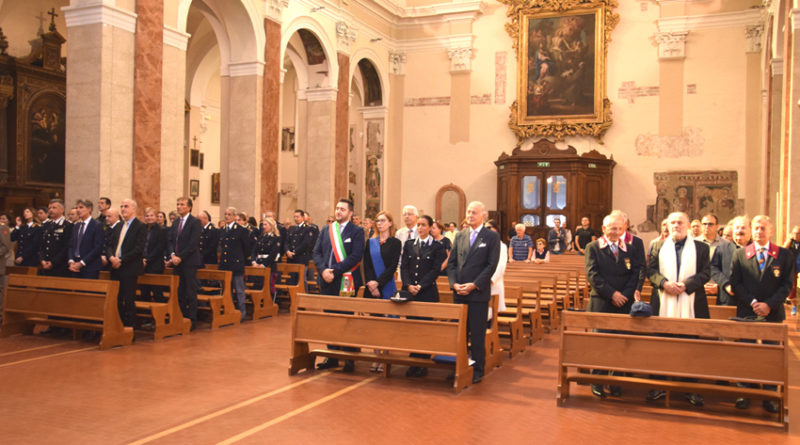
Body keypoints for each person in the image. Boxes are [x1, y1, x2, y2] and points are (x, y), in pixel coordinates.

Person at [729, 215, 794, 413]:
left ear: (771, 231)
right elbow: (736, 283)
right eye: (756, 228)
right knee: (745, 353)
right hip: (747, 311)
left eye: (763, 228)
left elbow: (787, 285)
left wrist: (769, 305)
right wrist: (754, 302)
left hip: (772, 313)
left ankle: (770, 394)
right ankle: (744, 392)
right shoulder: (741, 254)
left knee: (771, 355)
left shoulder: (784, 255)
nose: (759, 231)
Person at [646, 211, 710, 406]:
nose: (676, 226)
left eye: (680, 222)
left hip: (692, 303)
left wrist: (686, 285)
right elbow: (651, 271)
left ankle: (690, 387)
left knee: (691, 346)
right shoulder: (657, 245)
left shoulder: (701, 247)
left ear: (688, 225)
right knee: (660, 344)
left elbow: (706, 273)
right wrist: (664, 283)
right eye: (673, 222)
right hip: (663, 301)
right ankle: (658, 384)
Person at [584, 212, 643, 398]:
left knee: (620, 343)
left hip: (624, 303)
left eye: (619, 229)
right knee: (602, 344)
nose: (615, 232)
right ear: (604, 229)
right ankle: (598, 381)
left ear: (624, 229)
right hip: (602, 302)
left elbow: (635, 273)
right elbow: (593, 275)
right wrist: (612, 294)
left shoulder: (630, 248)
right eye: (612, 229)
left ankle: (616, 380)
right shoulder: (593, 247)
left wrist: (624, 295)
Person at [447, 201, 500, 384]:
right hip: (459, 292)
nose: (470, 215)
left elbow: (491, 265)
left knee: (476, 334)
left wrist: (475, 284)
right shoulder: (460, 235)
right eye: (468, 212)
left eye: (474, 212)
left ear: (483, 215)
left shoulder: (491, 237)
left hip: (477, 293)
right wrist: (454, 284)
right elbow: (452, 263)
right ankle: (460, 365)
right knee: (460, 333)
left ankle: (477, 369)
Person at [312, 198, 365, 372]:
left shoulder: (357, 231)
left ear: (350, 213)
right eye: (337, 208)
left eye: (342, 209)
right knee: (330, 319)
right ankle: (332, 355)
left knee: (346, 319)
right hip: (326, 280)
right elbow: (317, 252)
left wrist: (333, 270)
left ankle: (349, 356)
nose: (338, 211)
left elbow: (356, 256)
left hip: (345, 281)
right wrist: (323, 271)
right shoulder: (326, 229)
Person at [401, 214, 446, 377]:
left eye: (423, 225)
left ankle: (423, 362)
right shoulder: (409, 244)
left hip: (427, 292)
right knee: (412, 328)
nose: (420, 228)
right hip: (410, 292)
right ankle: (413, 360)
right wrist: (408, 285)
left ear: (430, 227)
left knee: (425, 328)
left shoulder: (437, 246)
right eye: (418, 225)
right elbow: (404, 267)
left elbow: (435, 270)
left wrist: (420, 285)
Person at [107, 199, 146, 328]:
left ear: (134, 209)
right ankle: (117, 325)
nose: (123, 209)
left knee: (128, 299)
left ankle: (129, 327)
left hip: (129, 268)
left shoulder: (140, 226)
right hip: (115, 267)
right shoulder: (118, 226)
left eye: (126, 206)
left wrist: (121, 259)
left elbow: (138, 248)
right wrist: (112, 257)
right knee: (116, 299)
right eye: (122, 206)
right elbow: (110, 245)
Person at [167, 197, 203, 329]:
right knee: (179, 290)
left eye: (182, 204)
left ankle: (192, 319)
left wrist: (180, 257)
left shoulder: (195, 222)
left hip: (189, 261)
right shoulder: (176, 222)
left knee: (190, 290)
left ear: (189, 207)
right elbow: (170, 240)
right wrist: (172, 255)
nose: (179, 207)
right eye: (177, 204)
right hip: (177, 262)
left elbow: (193, 244)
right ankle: (181, 317)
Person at [220, 207, 252, 321]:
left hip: (236, 264)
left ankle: (242, 313)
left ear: (234, 216)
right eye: (225, 214)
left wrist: (241, 259)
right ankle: (229, 311)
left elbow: (246, 248)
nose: (226, 216)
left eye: (229, 214)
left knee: (239, 290)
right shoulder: (223, 230)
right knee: (226, 290)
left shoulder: (241, 230)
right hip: (225, 264)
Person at [697, 214, 735, 305]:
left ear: (717, 226)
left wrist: (719, 286)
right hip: (698, 290)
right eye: (704, 224)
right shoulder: (693, 243)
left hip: (720, 291)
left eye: (710, 224)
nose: (707, 226)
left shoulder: (726, 244)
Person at [68, 199, 105, 279]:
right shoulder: (76, 226)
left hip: (90, 267)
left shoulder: (97, 225)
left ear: (89, 209)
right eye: (77, 208)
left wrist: (81, 263)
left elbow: (98, 247)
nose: (78, 210)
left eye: (81, 207)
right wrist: (71, 261)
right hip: (75, 266)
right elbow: (71, 245)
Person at [39, 199, 72, 277]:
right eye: (49, 208)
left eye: (54, 208)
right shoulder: (46, 225)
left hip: (60, 267)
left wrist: (53, 262)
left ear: (62, 210)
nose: (50, 210)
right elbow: (41, 245)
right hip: (45, 265)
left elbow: (66, 247)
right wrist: (42, 260)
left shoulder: (67, 225)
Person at [140, 207, 167, 301]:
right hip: (143, 264)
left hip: (155, 265)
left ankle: (161, 313)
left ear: (156, 217)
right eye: (147, 216)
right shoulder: (142, 228)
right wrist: (142, 259)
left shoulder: (161, 230)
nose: (149, 218)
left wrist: (147, 260)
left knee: (157, 291)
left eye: (151, 215)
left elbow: (159, 248)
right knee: (144, 291)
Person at [251, 216, 282, 294]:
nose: (263, 227)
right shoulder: (261, 237)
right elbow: (254, 250)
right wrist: (254, 261)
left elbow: (273, 254)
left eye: (265, 224)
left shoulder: (276, 238)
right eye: (263, 225)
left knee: (268, 287)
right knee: (258, 285)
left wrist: (264, 264)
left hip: (269, 265)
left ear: (271, 226)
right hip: (258, 263)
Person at [486, 220, 508, 317]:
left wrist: (490, 280)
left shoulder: (501, 246)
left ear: (496, 230)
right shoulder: (482, 244)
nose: (487, 230)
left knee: (490, 314)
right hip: (481, 284)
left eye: (490, 228)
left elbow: (500, 266)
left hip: (492, 284)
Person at [285, 209, 314, 283]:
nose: (295, 219)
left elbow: (305, 244)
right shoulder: (291, 228)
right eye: (294, 217)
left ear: (302, 217)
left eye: (297, 217)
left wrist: (294, 252)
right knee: (291, 280)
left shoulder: (307, 229)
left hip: (301, 258)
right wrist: (288, 251)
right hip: (291, 259)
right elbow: (286, 242)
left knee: (301, 280)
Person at [783, 225, 800, 316]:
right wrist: (789, 240)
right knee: (793, 289)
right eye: (794, 233)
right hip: (792, 269)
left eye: (798, 233)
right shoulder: (791, 243)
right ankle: (794, 307)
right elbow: (783, 250)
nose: (796, 235)